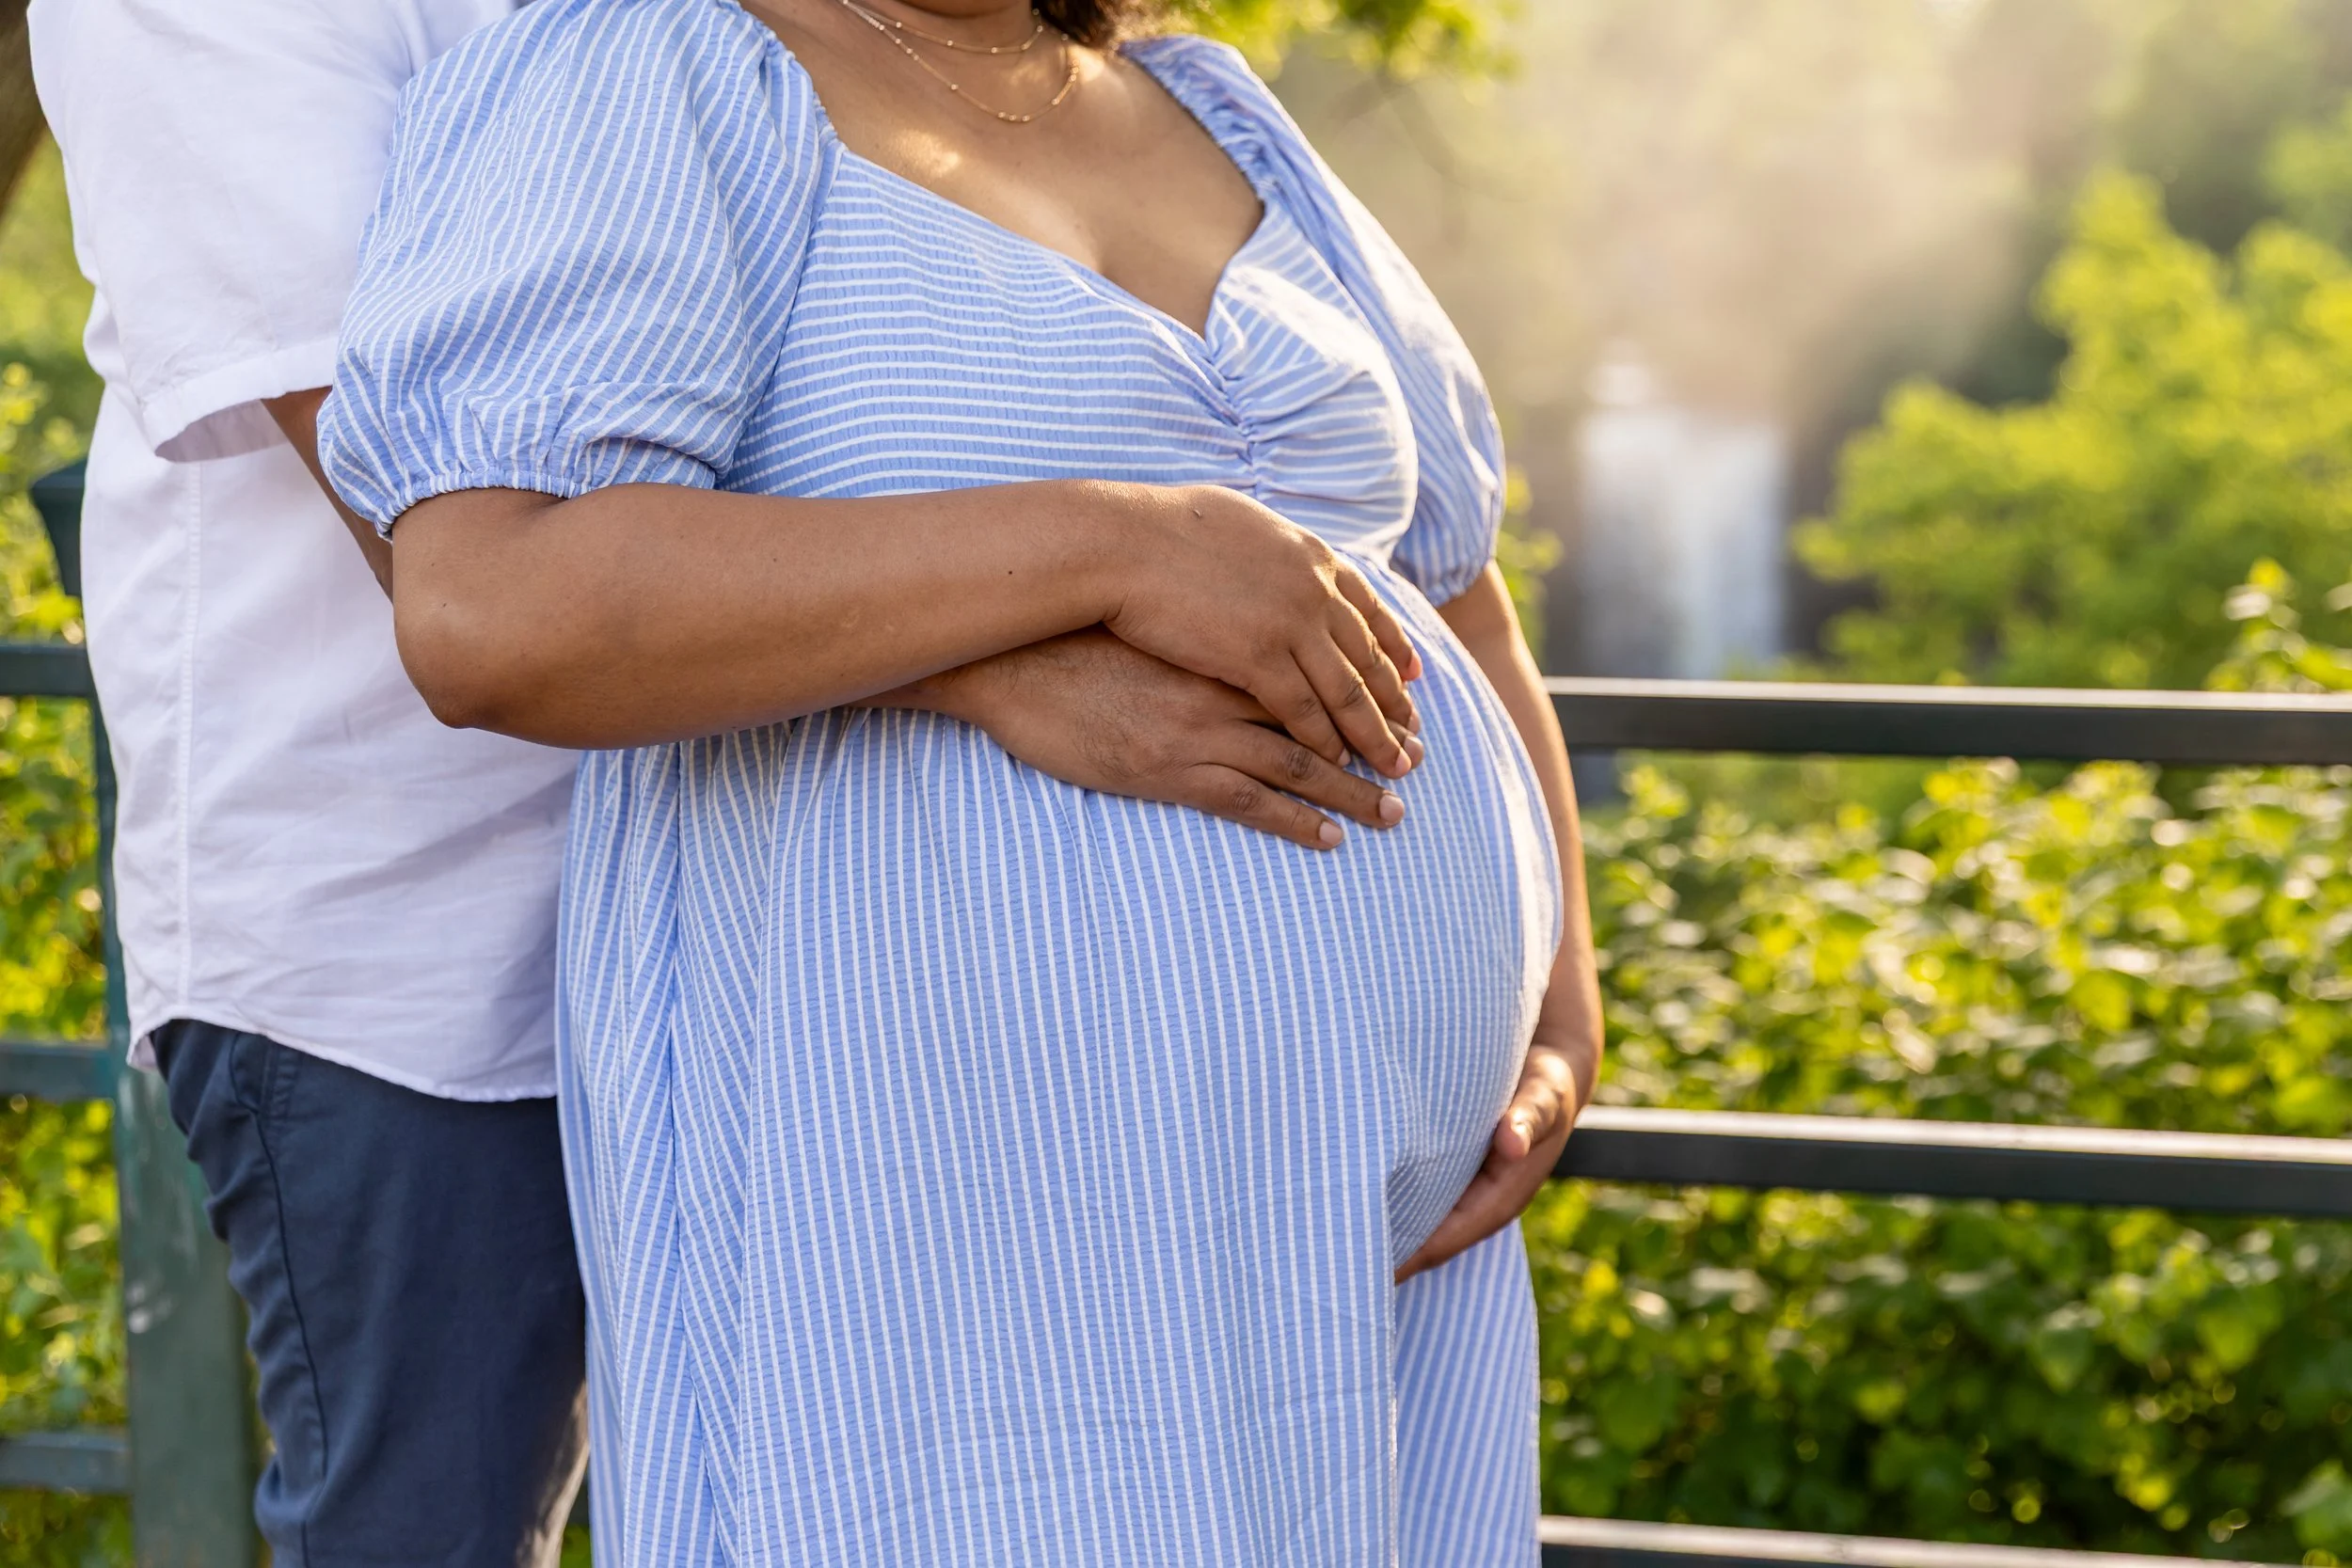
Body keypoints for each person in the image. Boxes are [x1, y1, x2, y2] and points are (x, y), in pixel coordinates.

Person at [29, 0, 1578, 1559]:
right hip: (432, 943)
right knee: (435, 1528)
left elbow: (1449, 575)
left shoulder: (1205, 105)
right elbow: (457, 543)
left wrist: (1556, 997)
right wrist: (1084, 579)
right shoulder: (621, 63)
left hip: (1337, 1229)